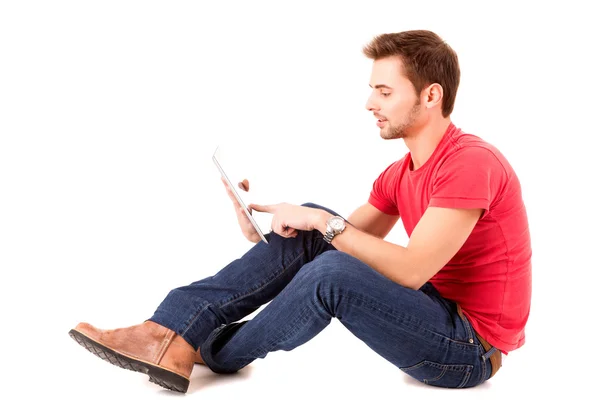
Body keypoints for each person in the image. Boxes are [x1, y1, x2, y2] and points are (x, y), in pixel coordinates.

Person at [69, 30, 532, 392]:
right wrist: (269, 231)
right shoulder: (401, 172)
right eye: (373, 89)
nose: (370, 103)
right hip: (436, 312)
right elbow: (334, 239)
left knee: (332, 270)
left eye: (385, 92)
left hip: (469, 350)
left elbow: (409, 271)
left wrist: (320, 224)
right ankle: (169, 330)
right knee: (317, 234)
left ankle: (202, 348)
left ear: (431, 96)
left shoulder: (470, 163)